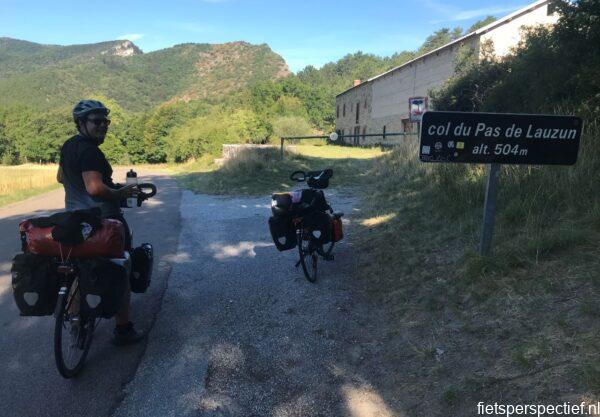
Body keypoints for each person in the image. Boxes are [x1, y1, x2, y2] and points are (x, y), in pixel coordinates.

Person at [57, 99, 143, 346]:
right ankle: (123, 329)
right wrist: (119, 193)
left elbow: (61, 177)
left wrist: (81, 192)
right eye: (96, 121)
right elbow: (95, 188)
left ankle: (76, 321)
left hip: (74, 221)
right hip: (103, 221)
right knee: (121, 267)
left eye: (105, 121)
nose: (103, 125)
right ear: (81, 123)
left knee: (77, 268)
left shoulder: (69, 146)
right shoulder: (90, 151)